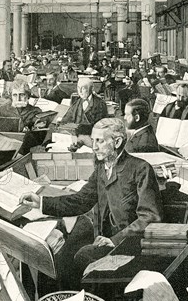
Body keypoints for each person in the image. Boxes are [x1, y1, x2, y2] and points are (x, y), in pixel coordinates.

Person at [20, 118, 162, 288]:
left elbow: (150, 217)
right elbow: (81, 200)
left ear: (117, 142)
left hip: (127, 245)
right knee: (52, 257)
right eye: (93, 140)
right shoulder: (103, 168)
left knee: (79, 258)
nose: (94, 146)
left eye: (99, 141)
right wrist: (41, 202)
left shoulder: (141, 169)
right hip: (102, 239)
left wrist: (115, 240)